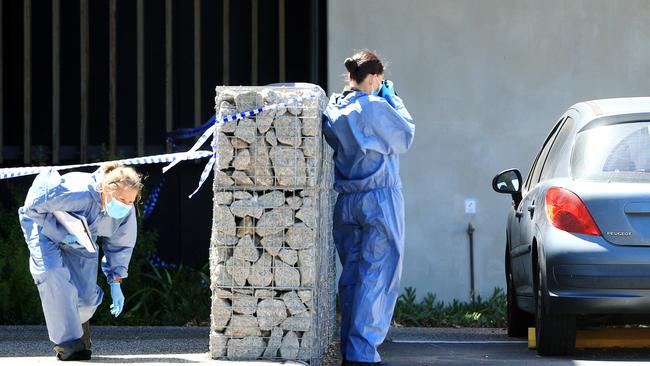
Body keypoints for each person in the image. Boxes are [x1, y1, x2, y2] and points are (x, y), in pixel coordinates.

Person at [322, 50, 415, 366]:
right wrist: (394, 99)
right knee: (378, 275)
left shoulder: (334, 110)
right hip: (379, 200)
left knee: (352, 277)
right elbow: (405, 135)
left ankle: (351, 350)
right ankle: (363, 355)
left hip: (347, 202)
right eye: (381, 80)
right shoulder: (375, 107)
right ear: (374, 77)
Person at [18, 162, 143, 361]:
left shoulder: (125, 212)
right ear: (106, 190)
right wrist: (60, 232)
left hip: (83, 240)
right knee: (51, 273)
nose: (126, 205)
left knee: (85, 299)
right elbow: (32, 208)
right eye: (121, 199)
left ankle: (78, 326)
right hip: (43, 229)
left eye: (131, 201)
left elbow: (121, 245)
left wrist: (116, 281)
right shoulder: (77, 191)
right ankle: (68, 345)